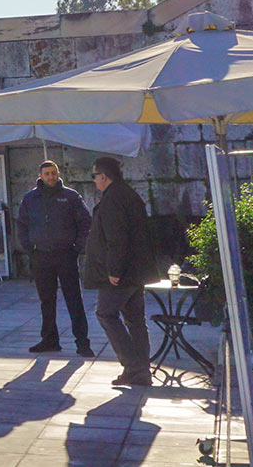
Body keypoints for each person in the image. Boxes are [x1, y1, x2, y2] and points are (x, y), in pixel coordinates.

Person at [83, 156, 159, 389]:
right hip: (135, 270)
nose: (94, 180)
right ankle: (139, 372)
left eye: (95, 176)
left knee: (106, 313)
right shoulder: (126, 194)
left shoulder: (114, 199)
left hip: (122, 272)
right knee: (135, 319)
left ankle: (134, 366)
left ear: (103, 176)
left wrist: (114, 270)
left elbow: (117, 238)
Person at [19, 160, 93, 357]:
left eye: (54, 173)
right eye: (47, 173)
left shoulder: (70, 197)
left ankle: (82, 342)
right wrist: (29, 249)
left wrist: (77, 248)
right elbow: (22, 225)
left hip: (65, 255)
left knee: (74, 299)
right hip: (41, 256)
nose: (51, 177)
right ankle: (49, 340)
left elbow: (85, 223)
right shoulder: (30, 198)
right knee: (46, 300)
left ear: (58, 174)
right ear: (40, 176)